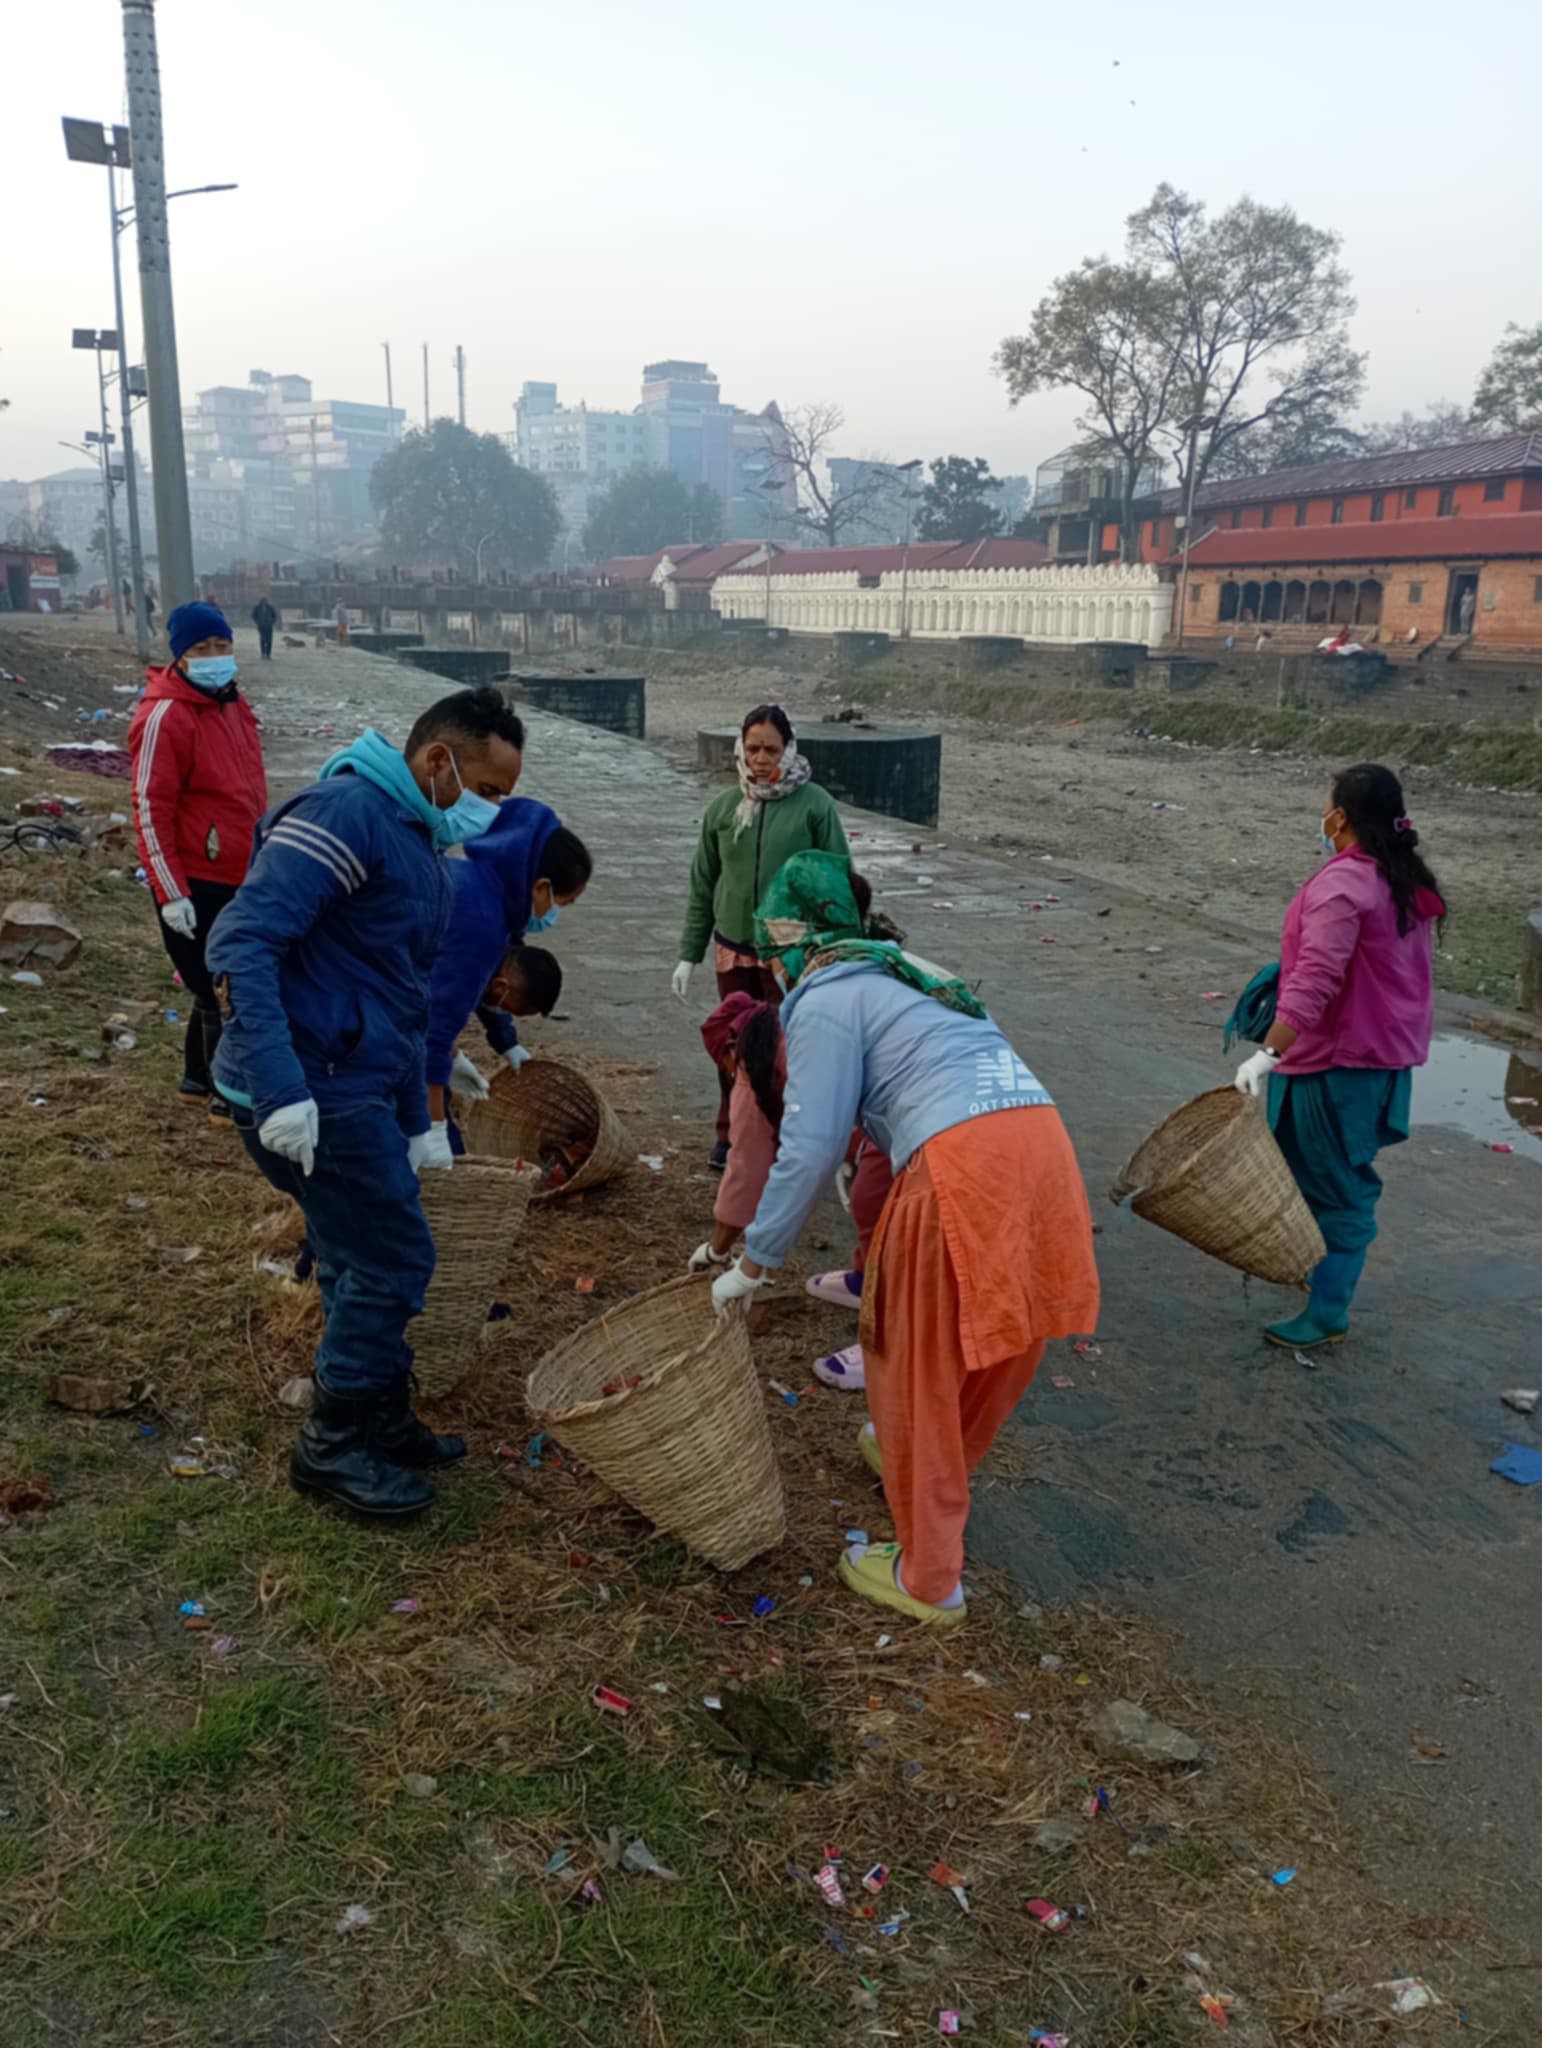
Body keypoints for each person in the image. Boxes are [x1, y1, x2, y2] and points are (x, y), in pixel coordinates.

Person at [711, 853, 1100, 1627]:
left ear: (788, 942)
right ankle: (917, 1462)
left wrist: (754, 1261)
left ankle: (928, 1576)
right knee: (1005, 1336)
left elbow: (812, 1143)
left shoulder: (821, 998)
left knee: (910, 1356)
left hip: (959, 1159)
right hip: (1040, 1142)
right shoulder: (907, 968)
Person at [207, 686, 524, 1517]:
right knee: (394, 1259)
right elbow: (243, 940)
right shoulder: (347, 813)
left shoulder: (414, 835)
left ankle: (378, 1414)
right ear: (436, 759)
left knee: (357, 1253)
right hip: (311, 1084)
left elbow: (395, 979)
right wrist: (281, 1089)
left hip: (354, 1077)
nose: (489, 812)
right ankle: (333, 1443)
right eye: (487, 791)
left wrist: (430, 1082)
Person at [1234, 763, 1445, 1351]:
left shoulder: (1342, 887)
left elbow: (1317, 979)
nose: (1321, 815)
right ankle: (1322, 1276)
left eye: (1326, 805)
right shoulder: (1399, 881)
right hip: (1378, 1057)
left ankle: (1328, 1312)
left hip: (1337, 1062)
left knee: (1340, 1187)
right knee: (1313, 1173)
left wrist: (1267, 1052)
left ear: (1342, 817)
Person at [674, 705, 849, 1169]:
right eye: (753, 748)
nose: (761, 758)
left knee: (784, 1049)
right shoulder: (724, 809)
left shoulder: (814, 806)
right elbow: (703, 883)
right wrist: (688, 953)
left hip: (789, 954)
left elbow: (837, 882)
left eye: (772, 749)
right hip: (732, 950)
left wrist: (837, 951)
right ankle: (730, 1135)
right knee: (734, 1044)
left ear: (789, 750)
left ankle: (785, 1138)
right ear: (740, 749)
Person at [127, 600, 268, 1110]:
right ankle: (222, 1092)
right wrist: (170, 893)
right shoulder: (166, 716)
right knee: (220, 989)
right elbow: (149, 806)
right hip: (198, 876)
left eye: (222, 645)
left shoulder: (231, 701)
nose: (215, 655)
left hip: (240, 866)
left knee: (217, 980)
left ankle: (197, 1076)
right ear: (181, 656)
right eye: (202, 648)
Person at [422, 799, 592, 1154]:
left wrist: (507, 1043)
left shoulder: (491, 898)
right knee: (432, 1149)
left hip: (392, 1015)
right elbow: (434, 1028)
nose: (553, 912)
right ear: (541, 887)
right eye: (561, 901)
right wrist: (434, 1127)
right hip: (364, 1013)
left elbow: (488, 980)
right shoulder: (479, 916)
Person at [441, 942, 564, 1141]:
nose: (508, 1012)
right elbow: (432, 1032)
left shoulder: (501, 952)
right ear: (501, 987)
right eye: (516, 1010)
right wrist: (451, 1058)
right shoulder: (461, 972)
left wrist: (508, 1044)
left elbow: (491, 998)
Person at [253, 595, 278, 661]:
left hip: (269, 626)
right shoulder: (257, 607)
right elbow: (253, 615)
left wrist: (272, 622)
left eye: (265, 600)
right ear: (261, 601)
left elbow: (275, 615)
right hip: (261, 626)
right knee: (263, 640)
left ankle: (268, 654)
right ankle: (263, 653)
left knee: (269, 641)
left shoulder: (270, 607)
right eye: (262, 600)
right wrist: (258, 622)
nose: (264, 602)